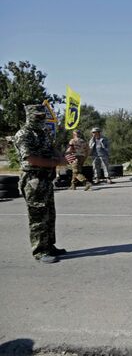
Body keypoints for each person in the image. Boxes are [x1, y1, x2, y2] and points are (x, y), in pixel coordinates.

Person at [13, 104, 68, 264]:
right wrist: (56, 162)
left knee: (49, 215)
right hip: (33, 180)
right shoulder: (24, 134)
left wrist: (63, 158)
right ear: (29, 116)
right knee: (38, 217)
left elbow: (52, 149)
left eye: (42, 117)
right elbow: (30, 159)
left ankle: (49, 246)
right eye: (37, 117)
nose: (41, 120)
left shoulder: (43, 133)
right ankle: (40, 251)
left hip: (45, 179)